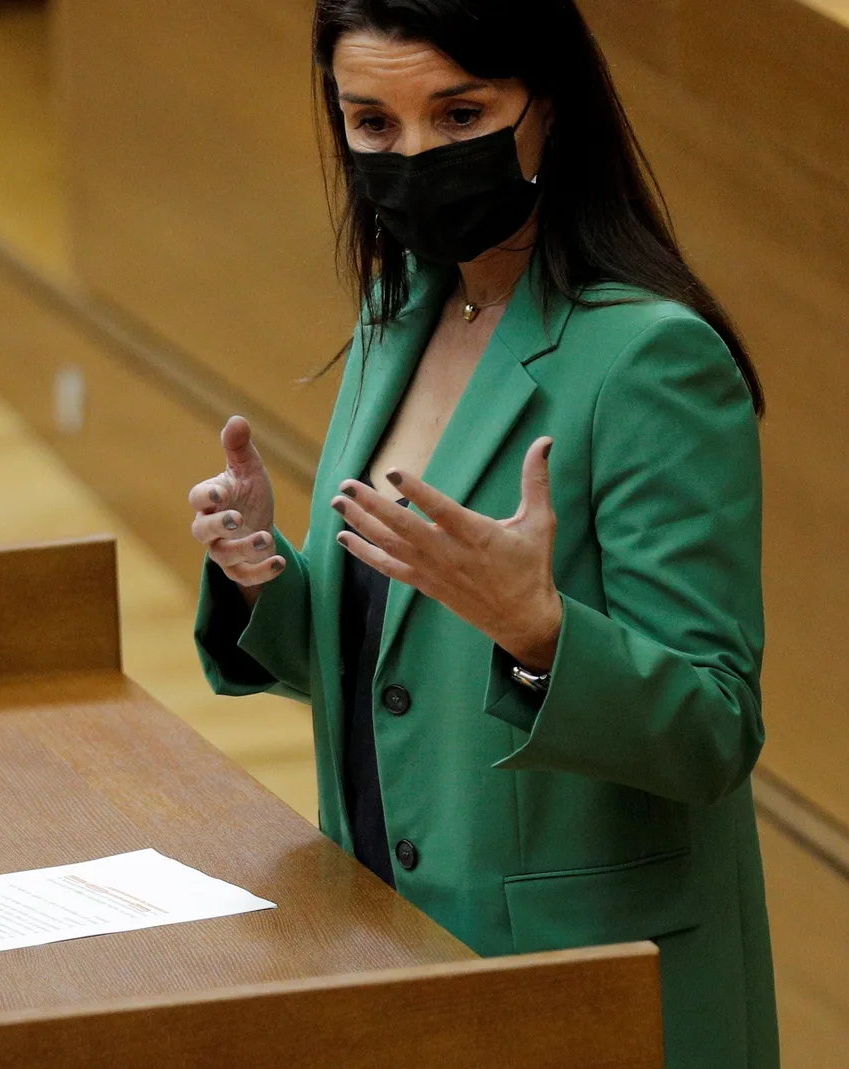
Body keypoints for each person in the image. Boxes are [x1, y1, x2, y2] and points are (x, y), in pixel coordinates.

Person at [190, 2, 774, 1066]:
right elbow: (397, 662)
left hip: (580, 982)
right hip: (386, 934)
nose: (412, 157)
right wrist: (264, 573)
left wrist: (542, 634)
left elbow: (712, 729)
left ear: (546, 109)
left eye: (459, 113)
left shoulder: (651, 359)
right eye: (371, 124)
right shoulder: (398, 313)